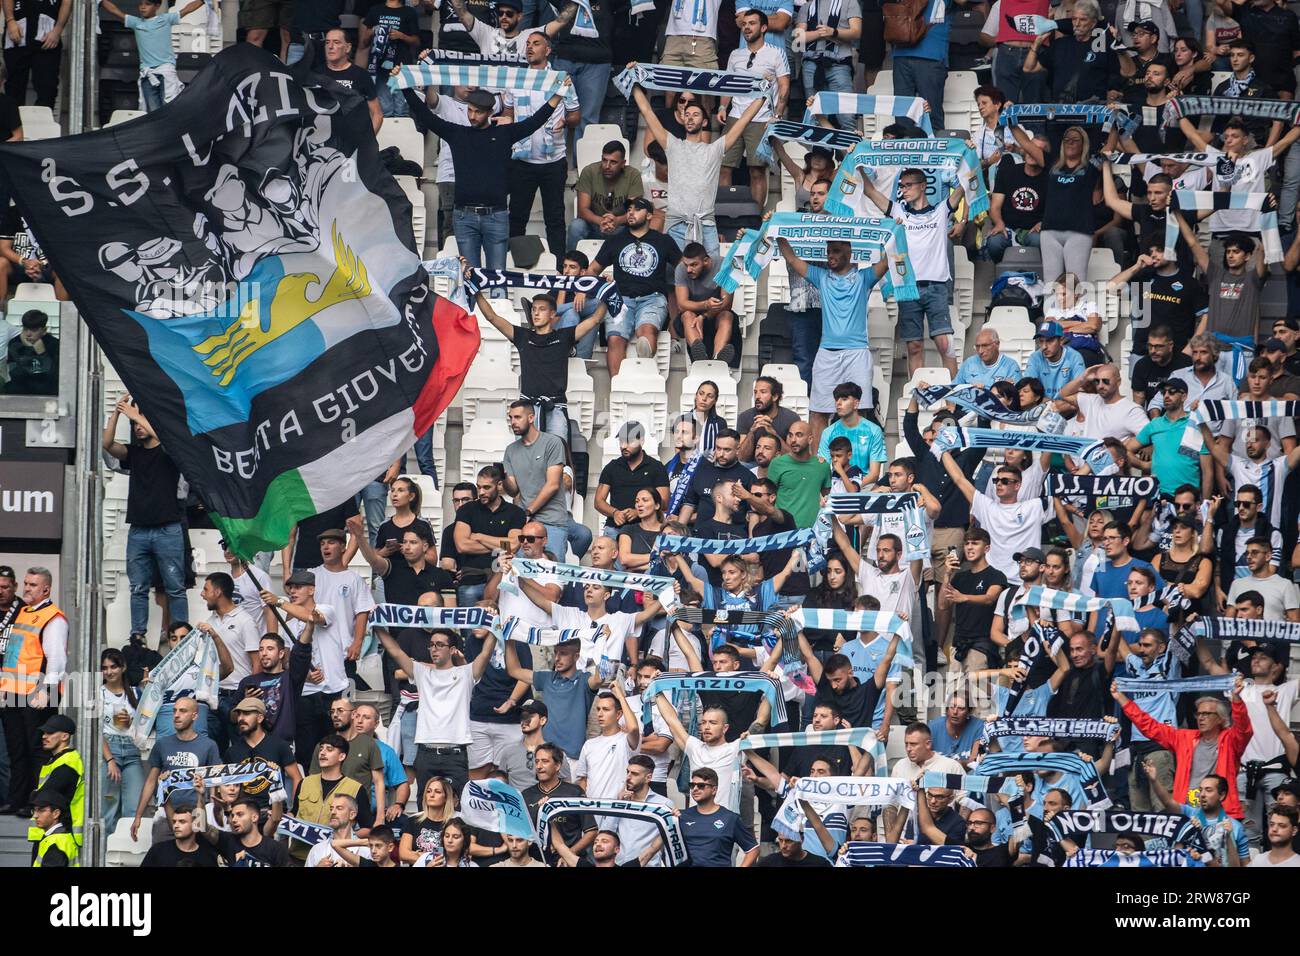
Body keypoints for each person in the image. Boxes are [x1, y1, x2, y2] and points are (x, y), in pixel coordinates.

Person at [400, 74, 573, 271]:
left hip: (496, 216)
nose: (472, 116)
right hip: (464, 216)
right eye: (470, 111)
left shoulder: (504, 134)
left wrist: (558, 95)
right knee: (470, 279)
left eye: (478, 112)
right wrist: (405, 87)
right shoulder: (457, 133)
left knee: (497, 277)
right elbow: (426, 116)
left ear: (490, 112)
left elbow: (536, 121)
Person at [630, 72, 765, 258]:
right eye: (687, 115)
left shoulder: (715, 149)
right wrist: (635, 81)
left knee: (713, 275)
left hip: (706, 224)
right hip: (676, 223)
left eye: (695, 114)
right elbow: (647, 112)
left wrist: (762, 95)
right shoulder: (672, 145)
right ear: (683, 119)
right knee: (673, 277)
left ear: (704, 121)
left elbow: (743, 121)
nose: (690, 117)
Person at [861, 166, 963, 378]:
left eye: (908, 185)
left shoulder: (941, 210)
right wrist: (858, 163)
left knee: (946, 344)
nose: (903, 190)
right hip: (907, 288)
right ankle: (916, 396)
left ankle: (954, 399)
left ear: (923, 186)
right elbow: (870, 191)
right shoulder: (898, 211)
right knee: (914, 346)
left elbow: (964, 186)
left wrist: (979, 162)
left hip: (936, 286)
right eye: (901, 186)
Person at [102, 395, 188, 640]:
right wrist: (118, 413)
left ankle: (182, 633)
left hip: (168, 529)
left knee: (175, 587)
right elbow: (107, 444)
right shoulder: (134, 453)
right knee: (138, 587)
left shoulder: (170, 450)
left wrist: (136, 413)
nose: (137, 427)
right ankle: (137, 635)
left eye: (141, 423)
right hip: (139, 530)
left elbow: (165, 439)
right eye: (135, 425)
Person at [1113, 676, 1254, 818]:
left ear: (1221, 718)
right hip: (1187, 812)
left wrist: (1236, 698)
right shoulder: (1185, 738)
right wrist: (1121, 699)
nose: (1200, 718)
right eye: (1198, 714)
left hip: (1220, 813)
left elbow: (1244, 728)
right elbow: (1150, 726)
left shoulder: (1231, 740)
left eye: (1206, 714)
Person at [477, 289, 604, 446]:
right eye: (533, 309)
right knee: (524, 460)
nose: (536, 313)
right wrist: (476, 292)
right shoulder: (523, 336)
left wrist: (608, 291)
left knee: (557, 460)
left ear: (552, 314)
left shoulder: (564, 336)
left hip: (556, 406)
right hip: (527, 408)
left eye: (542, 309)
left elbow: (596, 319)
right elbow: (492, 317)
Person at [503, 30, 581, 256]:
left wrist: (566, 121)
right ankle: (512, 265)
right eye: (527, 44)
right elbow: (508, 113)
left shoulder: (561, 79)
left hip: (553, 161)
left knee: (554, 219)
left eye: (536, 44)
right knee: (516, 217)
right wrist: (506, 122)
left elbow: (576, 115)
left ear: (547, 50)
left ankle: (558, 268)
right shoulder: (516, 80)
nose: (529, 47)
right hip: (522, 161)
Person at [1, 568, 67, 817]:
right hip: (14, 691)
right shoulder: (23, 612)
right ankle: (16, 799)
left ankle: (35, 802)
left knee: (36, 750)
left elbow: (57, 660)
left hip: (36, 694)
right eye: (26, 584)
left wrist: (46, 691)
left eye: (32, 585)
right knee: (16, 749)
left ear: (46, 589)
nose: (26, 588)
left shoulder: (53, 618)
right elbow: (14, 655)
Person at [587, 196, 683, 360]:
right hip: (620, 299)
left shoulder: (663, 240)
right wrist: (590, 289)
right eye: (629, 210)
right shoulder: (615, 240)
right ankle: (617, 385)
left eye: (637, 209)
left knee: (646, 332)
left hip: (652, 299)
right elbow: (593, 269)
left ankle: (643, 369)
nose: (631, 213)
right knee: (614, 339)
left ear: (649, 215)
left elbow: (683, 268)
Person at [1010, 123, 1107, 284]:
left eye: (1075, 140)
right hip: (1050, 232)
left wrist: (1115, 123)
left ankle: (1077, 310)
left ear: (1084, 144)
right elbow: (1026, 143)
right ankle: (1050, 311)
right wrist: (1010, 121)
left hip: (1079, 231)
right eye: (1067, 139)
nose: (1070, 142)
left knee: (1076, 284)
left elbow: (1109, 148)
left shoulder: (1090, 167)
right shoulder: (1052, 163)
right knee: (1050, 285)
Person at [717, 10, 790, 210]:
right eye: (744, 24)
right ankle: (725, 212)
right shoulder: (735, 54)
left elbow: (784, 85)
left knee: (756, 170)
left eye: (752, 23)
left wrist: (778, 114)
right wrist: (723, 106)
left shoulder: (776, 52)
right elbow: (727, 84)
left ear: (764, 28)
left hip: (761, 118)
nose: (747, 27)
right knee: (724, 167)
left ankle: (754, 218)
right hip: (735, 116)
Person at [942, 457, 1049, 584]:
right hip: (992, 581)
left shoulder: (1034, 507)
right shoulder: (986, 507)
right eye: (996, 480)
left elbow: (1061, 494)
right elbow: (959, 479)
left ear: (1017, 485)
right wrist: (942, 451)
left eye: (1004, 481)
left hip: (1021, 582)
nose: (999, 484)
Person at [129, 697, 220, 843]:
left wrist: (214, 812)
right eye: (175, 711)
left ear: (195, 716)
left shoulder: (208, 745)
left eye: (183, 711)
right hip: (167, 814)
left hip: (197, 812)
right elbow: (151, 781)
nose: (176, 715)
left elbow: (215, 781)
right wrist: (138, 816)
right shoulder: (162, 744)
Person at [99, 0, 205, 111]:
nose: (143, 7)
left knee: (169, 107)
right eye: (140, 4)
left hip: (166, 72)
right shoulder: (136, 22)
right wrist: (100, 1)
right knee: (151, 111)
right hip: (147, 74)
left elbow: (187, 9)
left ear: (157, 6)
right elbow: (115, 11)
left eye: (148, 4)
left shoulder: (165, 19)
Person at [501, 401, 573, 561]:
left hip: (552, 521)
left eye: (518, 417)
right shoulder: (510, 450)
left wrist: (528, 511)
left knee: (552, 576)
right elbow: (513, 490)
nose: (513, 422)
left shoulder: (552, 442)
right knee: (518, 574)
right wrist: (503, 477)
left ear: (531, 417)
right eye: (511, 418)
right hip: (525, 525)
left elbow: (553, 485)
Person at [1022, 0, 1123, 104]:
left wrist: (1113, 91)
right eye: (1074, 19)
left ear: (1093, 23)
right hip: (1060, 110)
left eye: (1083, 20)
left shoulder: (1103, 45)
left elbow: (1116, 74)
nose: (1077, 24)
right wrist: (1036, 45)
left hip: (1093, 110)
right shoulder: (1060, 44)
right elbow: (1029, 68)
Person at [453, 465, 527, 607]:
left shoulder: (515, 512)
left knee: (501, 627)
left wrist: (479, 536)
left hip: (503, 580)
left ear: (499, 485)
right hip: (471, 579)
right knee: (471, 628)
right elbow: (462, 545)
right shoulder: (466, 510)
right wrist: (500, 544)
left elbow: (512, 546)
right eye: (478, 487)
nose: (481, 492)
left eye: (486, 487)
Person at [942, 528, 1009, 673]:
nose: (969, 547)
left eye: (975, 543)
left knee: (977, 695)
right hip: (957, 646)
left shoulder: (996, 575)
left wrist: (964, 597)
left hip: (981, 646)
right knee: (954, 695)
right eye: (966, 543)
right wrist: (947, 574)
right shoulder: (960, 577)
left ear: (987, 548)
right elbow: (942, 605)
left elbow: (989, 599)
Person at [522, 742, 595, 864]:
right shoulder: (526, 795)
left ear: (557, 766)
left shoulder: (574, 792)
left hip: (568, 862)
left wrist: (569, 855)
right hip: (536, 862)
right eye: (537, 761)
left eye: (545, 761)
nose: (539, 766)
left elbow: (591, 831)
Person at [595, 422, 670, 538]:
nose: (624, 446)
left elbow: (664, 502)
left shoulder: (656, 467)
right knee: (605, 548)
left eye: (629, 441)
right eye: (621, 441)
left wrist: (639, 512)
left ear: (642, 441)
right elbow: (598, 501)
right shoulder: (612, 467)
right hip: (615, 527)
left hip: (646, 527)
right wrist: (615, 513)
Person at [98, 648, 144, 836]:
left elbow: (146, 728)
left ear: (123, 667)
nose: (109, 671)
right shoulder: (97, 693)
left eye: (113, 666)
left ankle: (126, 854)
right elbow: (95, 731)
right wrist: (110, 760)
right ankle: (106, 857)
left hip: (132, 752)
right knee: (109, 808)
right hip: (109, 750)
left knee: (134, 808)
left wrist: (131, 722)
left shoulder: (136, 692)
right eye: (105, 668)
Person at [794, 0, 861, 128]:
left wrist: (834, 32)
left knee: (846, 116)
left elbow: (856, 32)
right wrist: (821, 33)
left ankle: (850, 147)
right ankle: (820, 149)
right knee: (815, 115)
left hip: (839, 63)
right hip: (811, 64)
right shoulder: (807, 6)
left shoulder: (849, 2)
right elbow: (798, 37)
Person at [568, 141, 645, 248]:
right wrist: (601, 221)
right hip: (594, 224)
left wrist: (617, 221)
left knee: (640, 225)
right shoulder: (589, 172)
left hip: (621, 226)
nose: (607, 166)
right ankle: (572, 262)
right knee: (576, 226)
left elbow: (634, 210)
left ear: (623, 163)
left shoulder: (633, 175)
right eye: (604, 160)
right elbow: (582, 210)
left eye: (613, 162)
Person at [678, 767, 759, 867]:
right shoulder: (682, 816)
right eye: (692, 785)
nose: (695, 789)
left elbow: (753, 849)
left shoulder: (730, 818)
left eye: (701, 785)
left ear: (714, 790)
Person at [674, 243, 738, 366]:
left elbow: (726, 304)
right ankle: (700, 358)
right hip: (692, 314)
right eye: (686, 265)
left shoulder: (725, 266)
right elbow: (682, 304)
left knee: (727, 316)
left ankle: (718, 359)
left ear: (706, 261)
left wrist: (703, 316)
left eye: (694, 265)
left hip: (717, 312)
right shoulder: (681, 269)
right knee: (687, 315)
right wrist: (705, 305)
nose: (688, 269)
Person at [2, 0, 71, 108]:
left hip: (47, 36)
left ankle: (44, 122)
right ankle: (13, 123)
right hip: (18, 32)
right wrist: (10, 20)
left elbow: (67, 2)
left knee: (48, 87)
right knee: (14, 86)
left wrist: (58, 29)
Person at [1058, 364, 1149, 444]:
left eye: (1105, 381)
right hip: (1084, 462)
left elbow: (1149, 436)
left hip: (1112, 463)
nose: (1100, 386)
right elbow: (1064, 394)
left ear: (1118, 382)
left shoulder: (1131, 410)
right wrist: (1083, 378)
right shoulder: (1091, 400)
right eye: (1097, 381)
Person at [317, 27, 382, 132]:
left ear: (347, 48)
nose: (330, 46)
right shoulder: (316, 74)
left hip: (352, 137)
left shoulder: (361, 75)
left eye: (336, 42)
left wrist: (367, 142)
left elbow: (377, 114)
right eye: (327, 42)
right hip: (322, 137)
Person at [201, 796, 291, 867]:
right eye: (232, 815)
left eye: (240, 815)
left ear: (254, 817)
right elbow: (200, 826)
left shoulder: (276, 848)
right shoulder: (229, 842)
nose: (234, 819)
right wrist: (200, 795)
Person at [1131, 326, 1195, 409]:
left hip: (1182, 416)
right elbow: (1138, 404)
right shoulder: (1142, 365)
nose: (1153, 351)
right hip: (1152, 416)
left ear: (1170, 345)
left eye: (1158, 346)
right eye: (1150, 346)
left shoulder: (1186, 363)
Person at [139, 805, 220, 867]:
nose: (176, 825)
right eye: (174, 822)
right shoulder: (158, 850)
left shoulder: (208, 856)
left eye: (182, 821)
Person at [1023, 321, 1087, 399]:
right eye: (1041, 341)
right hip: (1042, 406)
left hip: (1066, 406)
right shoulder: (1035, 357)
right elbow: (1026, 389)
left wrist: (1057, 405)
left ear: (1061, 340)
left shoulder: (1074, 357)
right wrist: (1049, 404)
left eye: (1049, 340)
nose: (1044, 347)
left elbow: (1080, 391)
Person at [4, 309, 57, 395]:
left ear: (44, 330)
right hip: (21, 389)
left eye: (34, 330)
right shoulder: (15, 343)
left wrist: (42, 353)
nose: (28, 334)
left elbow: (51, 375)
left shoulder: (54, 344)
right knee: (12, 387)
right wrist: (30, 349)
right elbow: (15, 374)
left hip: (46, 390)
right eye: (25, 329)